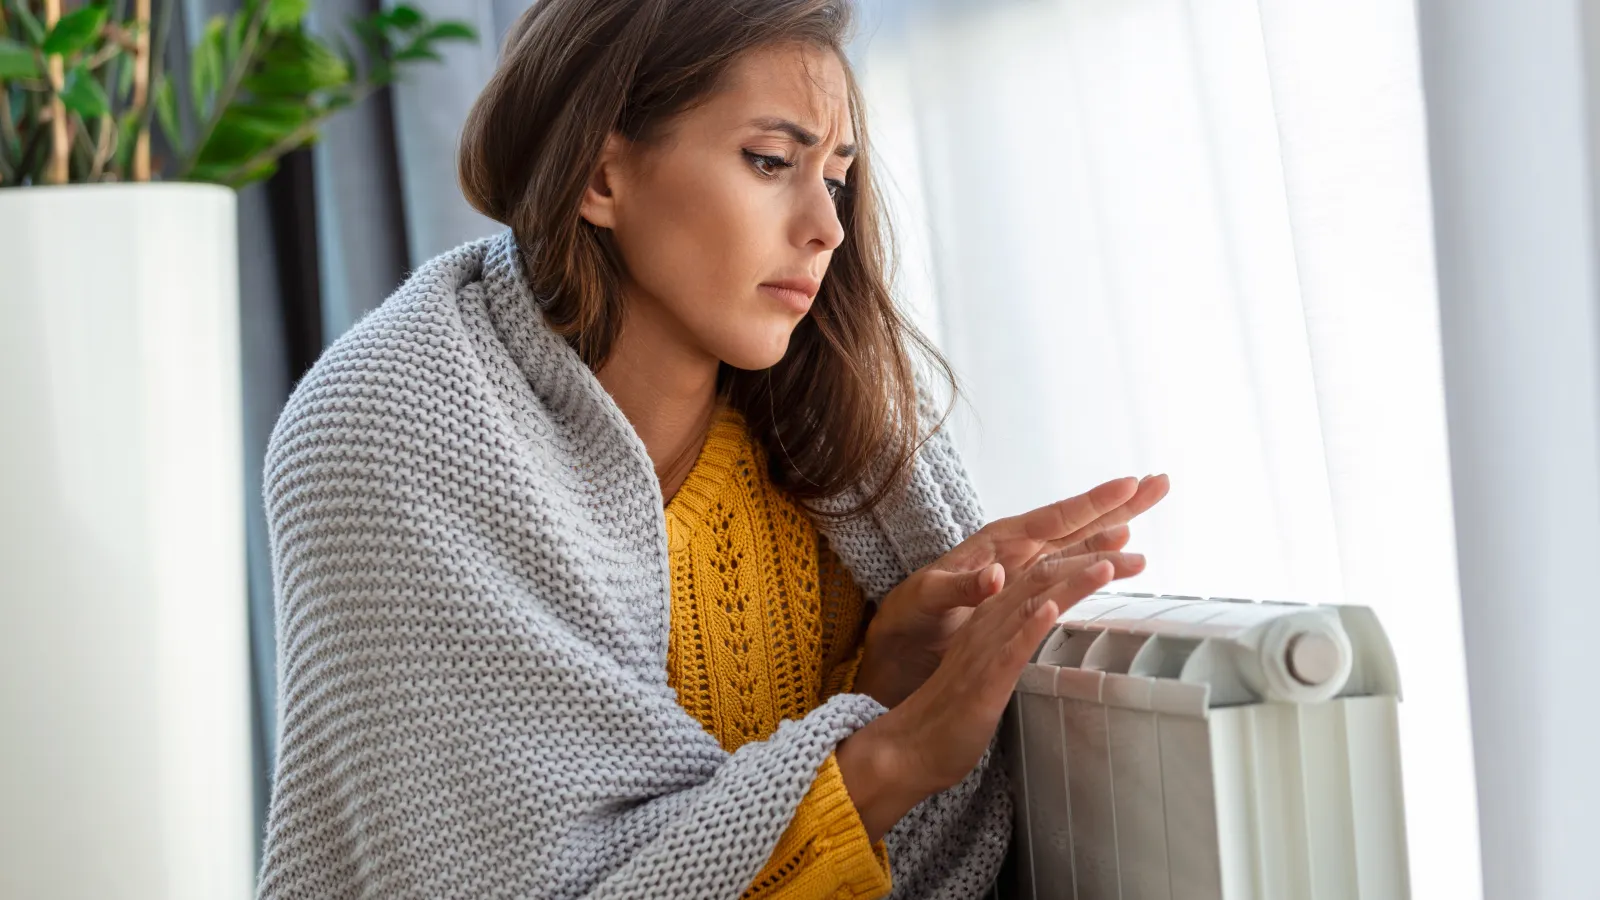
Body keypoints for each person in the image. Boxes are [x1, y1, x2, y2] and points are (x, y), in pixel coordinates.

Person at [255, 0, 1169, 897]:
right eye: (770, 161)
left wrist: (885, 681)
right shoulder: (393, 435)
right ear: (601, 177)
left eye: (837, 175)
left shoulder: (845, 458)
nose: (829, 226)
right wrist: (897, 752)